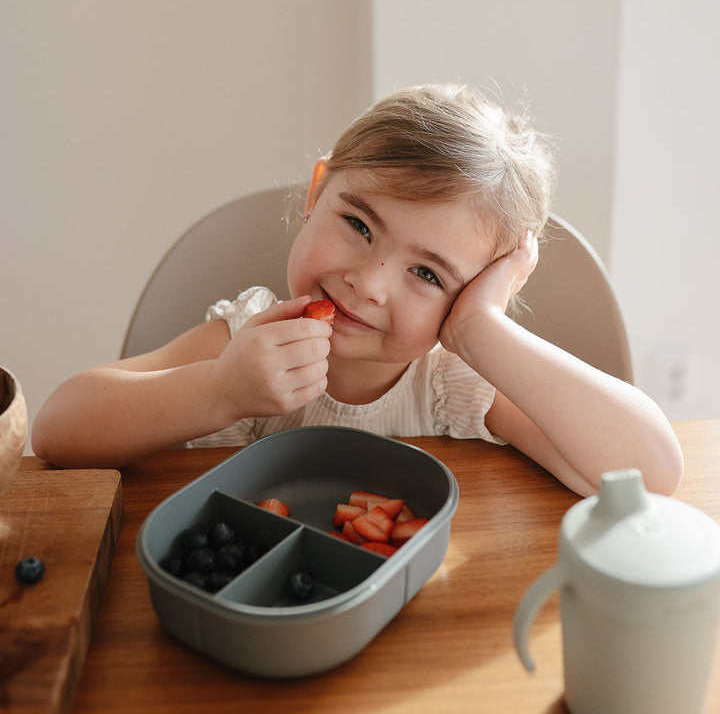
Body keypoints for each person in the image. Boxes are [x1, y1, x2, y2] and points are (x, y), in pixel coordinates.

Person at [31, 83, 683, 497]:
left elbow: (649, 476)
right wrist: (221, 389)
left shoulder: (452, 382)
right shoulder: (251, 338)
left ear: (474, 293)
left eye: (428, 274)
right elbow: (60, 429)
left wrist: (481, 330)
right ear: (317, 192)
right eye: (358, 224)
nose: (367, 283)